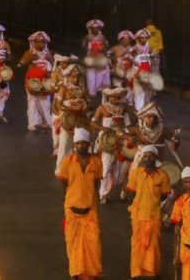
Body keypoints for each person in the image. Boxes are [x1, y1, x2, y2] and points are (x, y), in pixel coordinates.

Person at [56, 128, 104, 280]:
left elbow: (95, 184)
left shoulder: (96, 162)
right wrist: (69, 205)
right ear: (74, 145)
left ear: (88, 143)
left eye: (84, 143)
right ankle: (76, 273)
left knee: (93, 243)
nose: (81, 146)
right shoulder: (67, 162)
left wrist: (89, 199)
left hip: (90, 209)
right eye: (78, 143)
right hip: (71, 209)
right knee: (73, 243)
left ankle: (92, 273)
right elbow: (64, 185)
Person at [125, 145, 172, 279]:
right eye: (145, 156)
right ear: (143, 158)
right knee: (136, 246)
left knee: (154, 246)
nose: (148, 158)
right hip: (138, 216)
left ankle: (153, 271)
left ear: (155, 157)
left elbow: (164, 196)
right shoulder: (136, 173)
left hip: (154, 216)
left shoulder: (163, 175)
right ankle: (136, 273)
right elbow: (130, 193)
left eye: (151, 155)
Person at [90, 87, 137, 204]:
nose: (117, 99)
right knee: (106, 168)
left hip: (122, 140)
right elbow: (93, 122)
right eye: (114, 97)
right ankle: (103, 194)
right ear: (108, 97)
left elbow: (136, 114)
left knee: (122, 170)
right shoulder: (102, 108)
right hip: (108, 141)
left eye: (118, 97)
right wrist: (102, 128)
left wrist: (133, 129)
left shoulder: (124, 107)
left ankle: (121, 190)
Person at [54, 64, 90, 172]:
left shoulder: (82, 89)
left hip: (79, 121)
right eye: (73, 77)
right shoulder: (63, 89)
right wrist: (72, 108)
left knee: (77, 145)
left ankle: (72, 168)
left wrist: (85, 106)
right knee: (64, 145)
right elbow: (58, 105)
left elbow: (87, 104)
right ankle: (60, 169)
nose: (76, 79)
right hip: (66, 120)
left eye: (78, 76)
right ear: (68, 77)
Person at [124, 103, 179, 174]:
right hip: (141, 161)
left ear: (157, 120)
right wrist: (129, 137)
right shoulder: (137, 129)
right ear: (144, 118)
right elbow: (119, 132)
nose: (152, 119)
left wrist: (175, 143)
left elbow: (175, 138)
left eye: (154, 117)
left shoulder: (162, 131)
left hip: (157, 162)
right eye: (149, 117)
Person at [19, 31, 54, 132]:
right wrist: (25, 61)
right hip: (32, 82)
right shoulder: (29, 53)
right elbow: (21, 64)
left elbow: (53, 66)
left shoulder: (47, 54)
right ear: (33, 43)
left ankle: (46, 123)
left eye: (42, 42)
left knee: (45, 103)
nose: (40, 44)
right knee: (32, 103)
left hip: (45, 82)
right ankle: (32, 123)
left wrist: (50, 76)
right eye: (38, 42)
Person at [51, 54, 78, 155]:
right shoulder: (55, 72)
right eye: (63, 62)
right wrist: (60, 85)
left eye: (67, 62)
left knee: (72, 123)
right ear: (60, 62)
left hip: (71, 100)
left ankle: (72, 147)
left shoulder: (73, 72)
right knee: (57, 125)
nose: (66, 64)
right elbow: (53, 88)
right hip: (59, 100)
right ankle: (56, 146)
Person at [82, 19, 111, 97]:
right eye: (93, 28)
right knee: (91, 74)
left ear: (99, 29)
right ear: (90, 29)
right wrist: (89, 49)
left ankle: (102, 88)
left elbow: (107, 45)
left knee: (104, 71)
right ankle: (92, 91)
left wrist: (102, 48)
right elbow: (83, 45)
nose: (95, 29)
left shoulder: (102, 37)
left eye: (97, 28)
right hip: (91, 57)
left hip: (100, 57)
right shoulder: (87, 37)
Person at [109, 30, 135, 101]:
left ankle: (127, 104)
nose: (126, 41)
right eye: (124, 39)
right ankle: (117, 103)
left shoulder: (133, 49)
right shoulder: (115, 48)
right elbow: (107, 55)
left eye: (128, 39)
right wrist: (114, 59)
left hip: (129, 72)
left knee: (129, 90)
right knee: (118, 89)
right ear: (120, 40)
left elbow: (137, 60)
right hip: (118, 71)